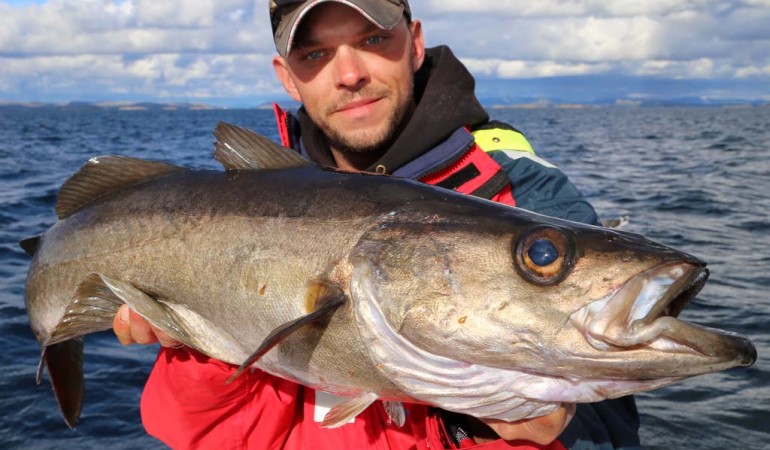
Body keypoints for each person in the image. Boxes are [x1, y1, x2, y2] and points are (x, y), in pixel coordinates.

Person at [114, 1, 640, 448]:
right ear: (287, 77)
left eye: (372, 38)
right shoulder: (238, 207)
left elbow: (609, 424)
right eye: (315, 54)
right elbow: (203, 434)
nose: (349, 74)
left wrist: (528, 430)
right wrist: (199, 345)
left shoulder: (528, 199)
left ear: (414, 43)